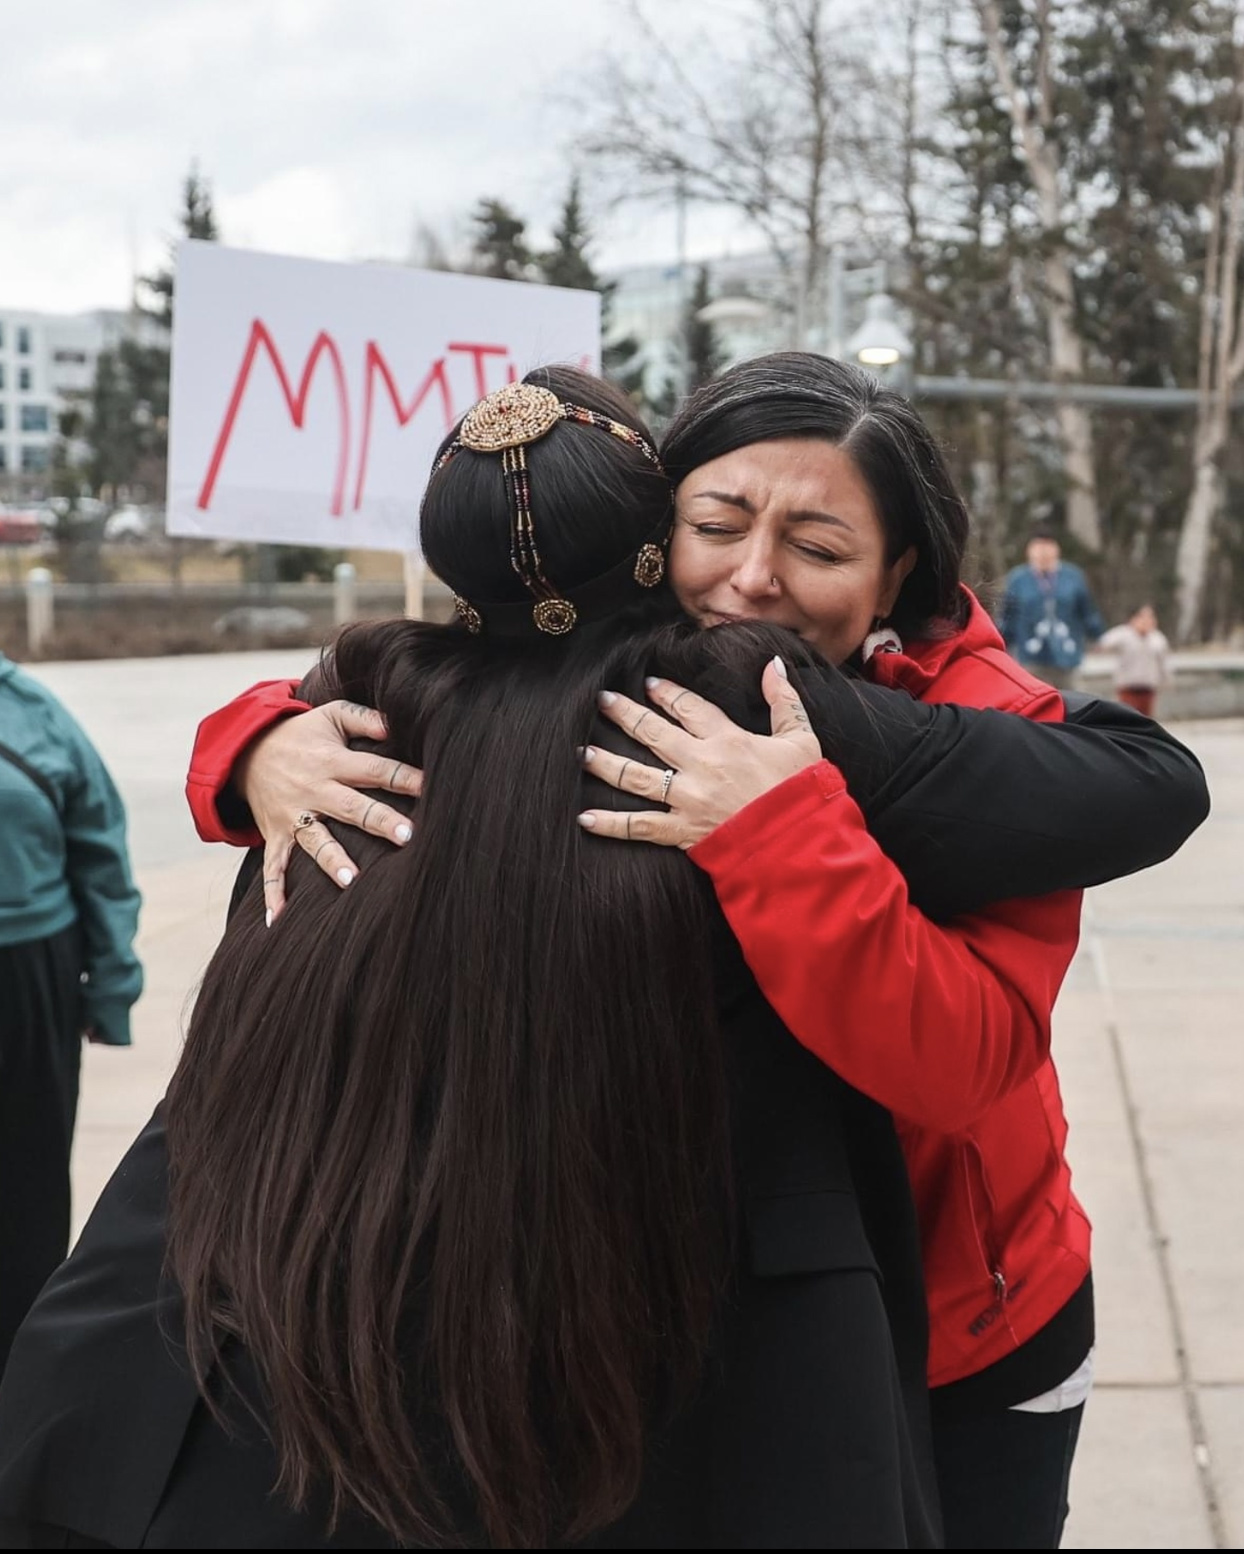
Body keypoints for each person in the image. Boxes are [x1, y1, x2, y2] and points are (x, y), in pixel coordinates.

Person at [0, 372, 1208, 1550]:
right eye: (715, 525)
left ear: (901, 571)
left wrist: (776, 829)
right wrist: (256, 740)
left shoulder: (920, 704)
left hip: (971, 1306)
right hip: (714, 1295)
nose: (751, 579)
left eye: (819, 547)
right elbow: (423, 681)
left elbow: (1014, 979)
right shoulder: (613, 684)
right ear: (643, 527)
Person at [0, 649, 142, 1376]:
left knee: (25, 1179)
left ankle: (20, 1366)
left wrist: (111, 987)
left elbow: (100, 853)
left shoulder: (33, 711)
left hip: (28, 973)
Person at [1000, 531, 1106, 689]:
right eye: (1038, 547)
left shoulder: (1073, 576)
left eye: (1048, 547)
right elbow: (1008, 615)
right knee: (1033, 702)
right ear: (1029, 551)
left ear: (1057, 550)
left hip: (1066, 655)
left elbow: (1086, 610)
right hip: (1031, 655)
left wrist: (1097, 635)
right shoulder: (1018, 579)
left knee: (1073, 703)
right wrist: (1002, 642)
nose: (1043, 552)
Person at [1098, 604, 1172, 718]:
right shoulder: (1124, 634)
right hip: (1128, 687)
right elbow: (1105, 643)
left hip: (1148, 687)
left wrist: (1166, 680)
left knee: (1146, 719)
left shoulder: (1157, 639)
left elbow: (1164, 662)